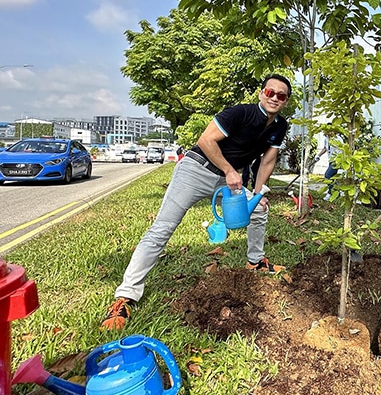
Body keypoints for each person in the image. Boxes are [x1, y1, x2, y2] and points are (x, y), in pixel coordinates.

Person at [100, 74, 292, 330]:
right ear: (261, 93)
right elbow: (206, 140)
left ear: (286, 101)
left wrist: (258, 192)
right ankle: (125, 297)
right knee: (162, 229)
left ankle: (255, 262)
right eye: (271, 92)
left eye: (281, 95)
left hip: (227, 181)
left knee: (259, 210)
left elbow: (268, 160)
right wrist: (228, 170)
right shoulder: (239, 113)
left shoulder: (280, 126)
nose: (275, 98)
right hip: (196, 170)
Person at [312, 132, 339, 201]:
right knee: (333, 178)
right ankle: (336, 194)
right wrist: (318, 155)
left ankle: (330, 193)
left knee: (327, 175)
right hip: (330, 161)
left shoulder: (338, 139)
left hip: (336, 161)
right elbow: (325, 148)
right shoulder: (326, 139)